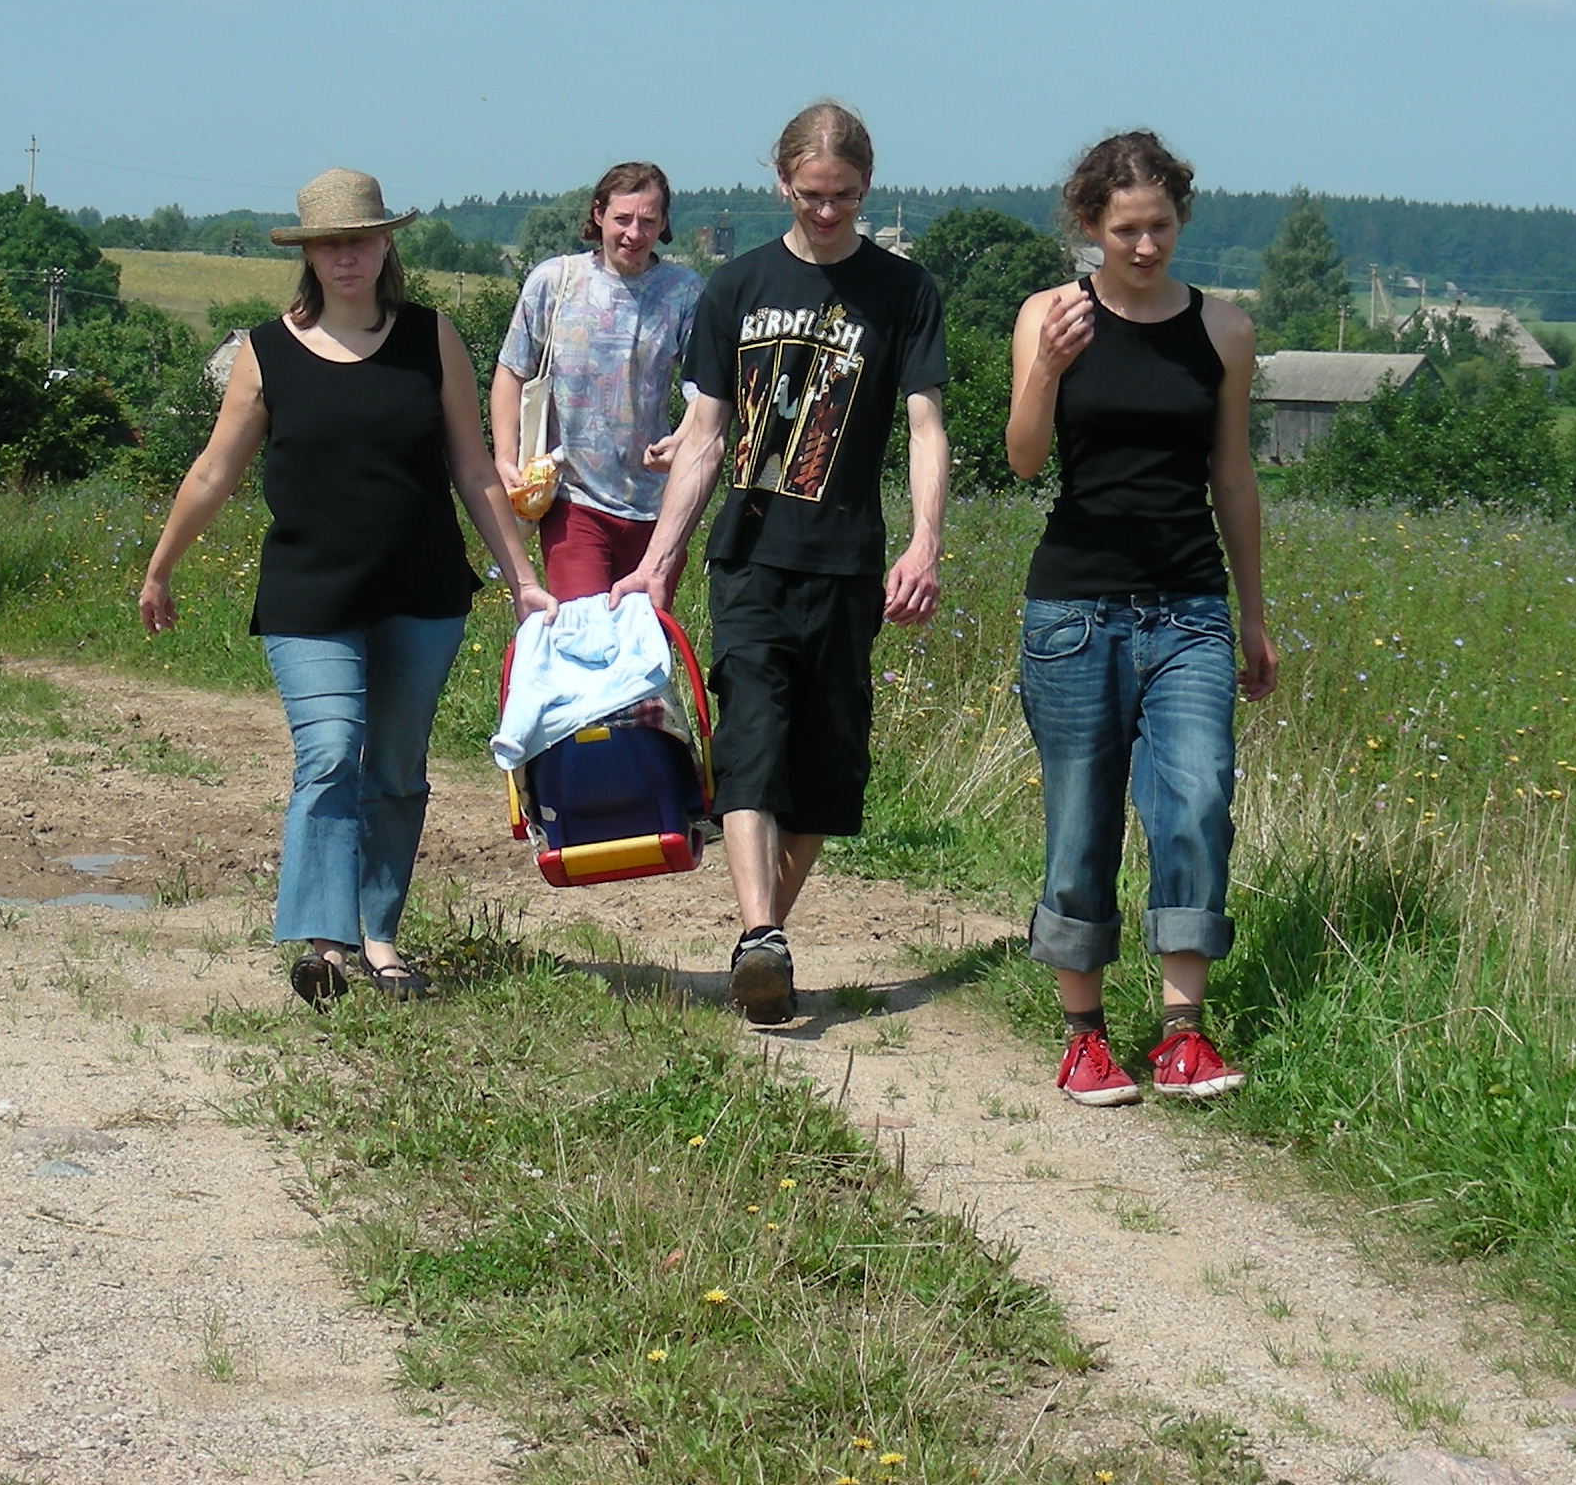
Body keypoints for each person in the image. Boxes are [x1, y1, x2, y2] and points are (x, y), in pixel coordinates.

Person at [138, 168, 553, 1005]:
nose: (346, 257)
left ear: (385, 244)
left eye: (359, 240)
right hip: (310, 595)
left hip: (421, 591)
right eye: (329, 244)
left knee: (395, 770)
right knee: (329, 754)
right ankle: (324, 946)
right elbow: (215, 470)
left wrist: (522, 579)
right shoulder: (265, 352)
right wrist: (161, 565)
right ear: (308, 255)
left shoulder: (431, 338)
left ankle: (379, 936)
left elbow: (474, 469)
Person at [615, 101, 947, 1027]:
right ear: (782, 183)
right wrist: (658, 561)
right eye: (811, 195)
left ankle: (759, 947)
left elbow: (926, 424)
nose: (827, 212)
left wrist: (925, 541)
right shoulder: (738, 286)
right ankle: (763, 934)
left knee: (825, 770)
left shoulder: (904, 291)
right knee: (752, 740)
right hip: (751, 558)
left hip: (847, 562)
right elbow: (705, 433)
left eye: (844, 197)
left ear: (866, 189)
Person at [1004, 131, 1280, 1104]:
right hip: (1074, 612)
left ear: (1181, 218)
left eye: (1160, 225)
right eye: (1126, 229)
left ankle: (1181, 1035)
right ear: (1091, 224)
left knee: (1198, 799)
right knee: (1081, 819)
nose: (1146, 245)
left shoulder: (1223, 332)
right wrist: (1046, 367)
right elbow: (1023, 458)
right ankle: (1083, 1038)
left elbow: (1233, 476)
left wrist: (1253, 614)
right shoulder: (1049, 315)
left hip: (1190, 608)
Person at [490, 162, 706, 602]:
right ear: (598, 215)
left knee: (643, 639)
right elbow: (512, 371)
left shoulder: (683, 292)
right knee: (586, 630)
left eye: (648, 221)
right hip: (574, 498)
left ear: (664, 223)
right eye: (622, 219)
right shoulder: (555, 282)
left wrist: (683, 438)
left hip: (657, 506)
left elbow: (706, 389)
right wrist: (505, 456)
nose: (634, 233)